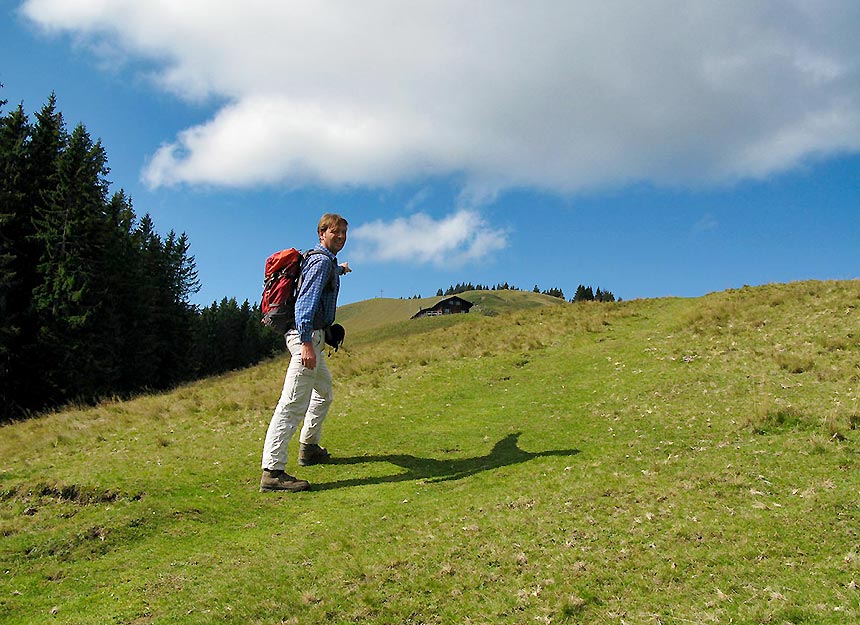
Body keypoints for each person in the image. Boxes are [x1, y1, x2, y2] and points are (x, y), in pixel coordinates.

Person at [260, 214, 351, 492]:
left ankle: (308, 448)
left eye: (345, 234)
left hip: (312, 338)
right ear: (322, 232)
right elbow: (305, 304)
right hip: (307, 339)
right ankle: (272, 472)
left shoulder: (323, 262)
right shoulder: (321, 262)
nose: (341, 238)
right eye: (336, 232)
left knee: (323, 391)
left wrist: (340, 270)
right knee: (292, 403)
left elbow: (316, 281)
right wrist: (307, 343)